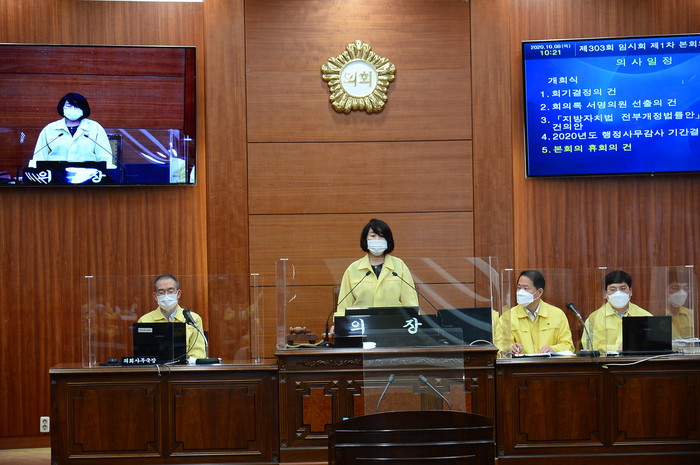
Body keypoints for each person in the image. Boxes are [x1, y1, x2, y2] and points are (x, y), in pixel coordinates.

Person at [334, 218, 418, 317]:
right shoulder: (353, 269)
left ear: (388, 240)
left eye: (381, 236)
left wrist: (415, 320)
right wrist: (339, 322)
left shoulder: (400, 266)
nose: (377, 240)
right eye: (373, 236)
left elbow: (410, 303)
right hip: (362, 324)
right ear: (365, 239)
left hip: (394, 323)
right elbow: (344, 306)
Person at [496, 269, 574, 355]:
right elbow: (499, 348)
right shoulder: (507, 317)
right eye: (519, 288)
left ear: (539, 292)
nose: (520, 292)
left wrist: (553, 349)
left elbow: (568, 346)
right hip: (521, 363)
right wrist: (510, 348)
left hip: (549, 363)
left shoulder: (557, 315)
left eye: (526, 288)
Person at [29, 92, 115, 169]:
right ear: (62, 108)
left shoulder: (95, 128)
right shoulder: (49, 129)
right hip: (55, 175)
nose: (73, 110)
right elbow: (39, 157)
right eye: (69, 106)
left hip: (88, 175)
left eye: (77, 107)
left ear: (83, 109)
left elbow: (105, 157)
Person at [138, 274, 206, 359]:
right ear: (155, 296)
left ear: (178, 294)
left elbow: (199, 354)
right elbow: (142, 355)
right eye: (161, 292)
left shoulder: (193, 319)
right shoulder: (144, 320)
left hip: (185, 367)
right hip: (154, 367)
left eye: (170, 291)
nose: (166, 295)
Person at [582, 270, 652, 353]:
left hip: (637, 361)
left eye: (623, 288)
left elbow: (653, 345)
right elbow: (589, 347)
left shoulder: (645, 316)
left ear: (630, 292)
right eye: (613, 289)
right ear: (605, 294)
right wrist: (617, 348)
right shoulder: (594, 318)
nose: (618, 293)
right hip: (605, 361)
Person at [666, 268, 695, 340]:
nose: (682, 293)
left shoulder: (691, 314)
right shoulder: (657, 314)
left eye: (685, 288)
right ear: (664, 289)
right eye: (675, 287)